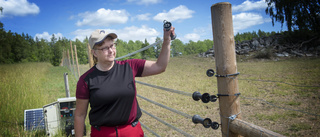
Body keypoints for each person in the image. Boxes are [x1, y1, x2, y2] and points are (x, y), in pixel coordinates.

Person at [74, 25, 175, 137]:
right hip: (103, 133)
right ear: (94, 53)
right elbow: (80, 114)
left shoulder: (129, 67)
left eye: (112, 45)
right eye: (105, 48)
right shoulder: (86, 80)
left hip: (132, 132)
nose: (111, 51)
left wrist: (166, 41)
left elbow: (160, 66)